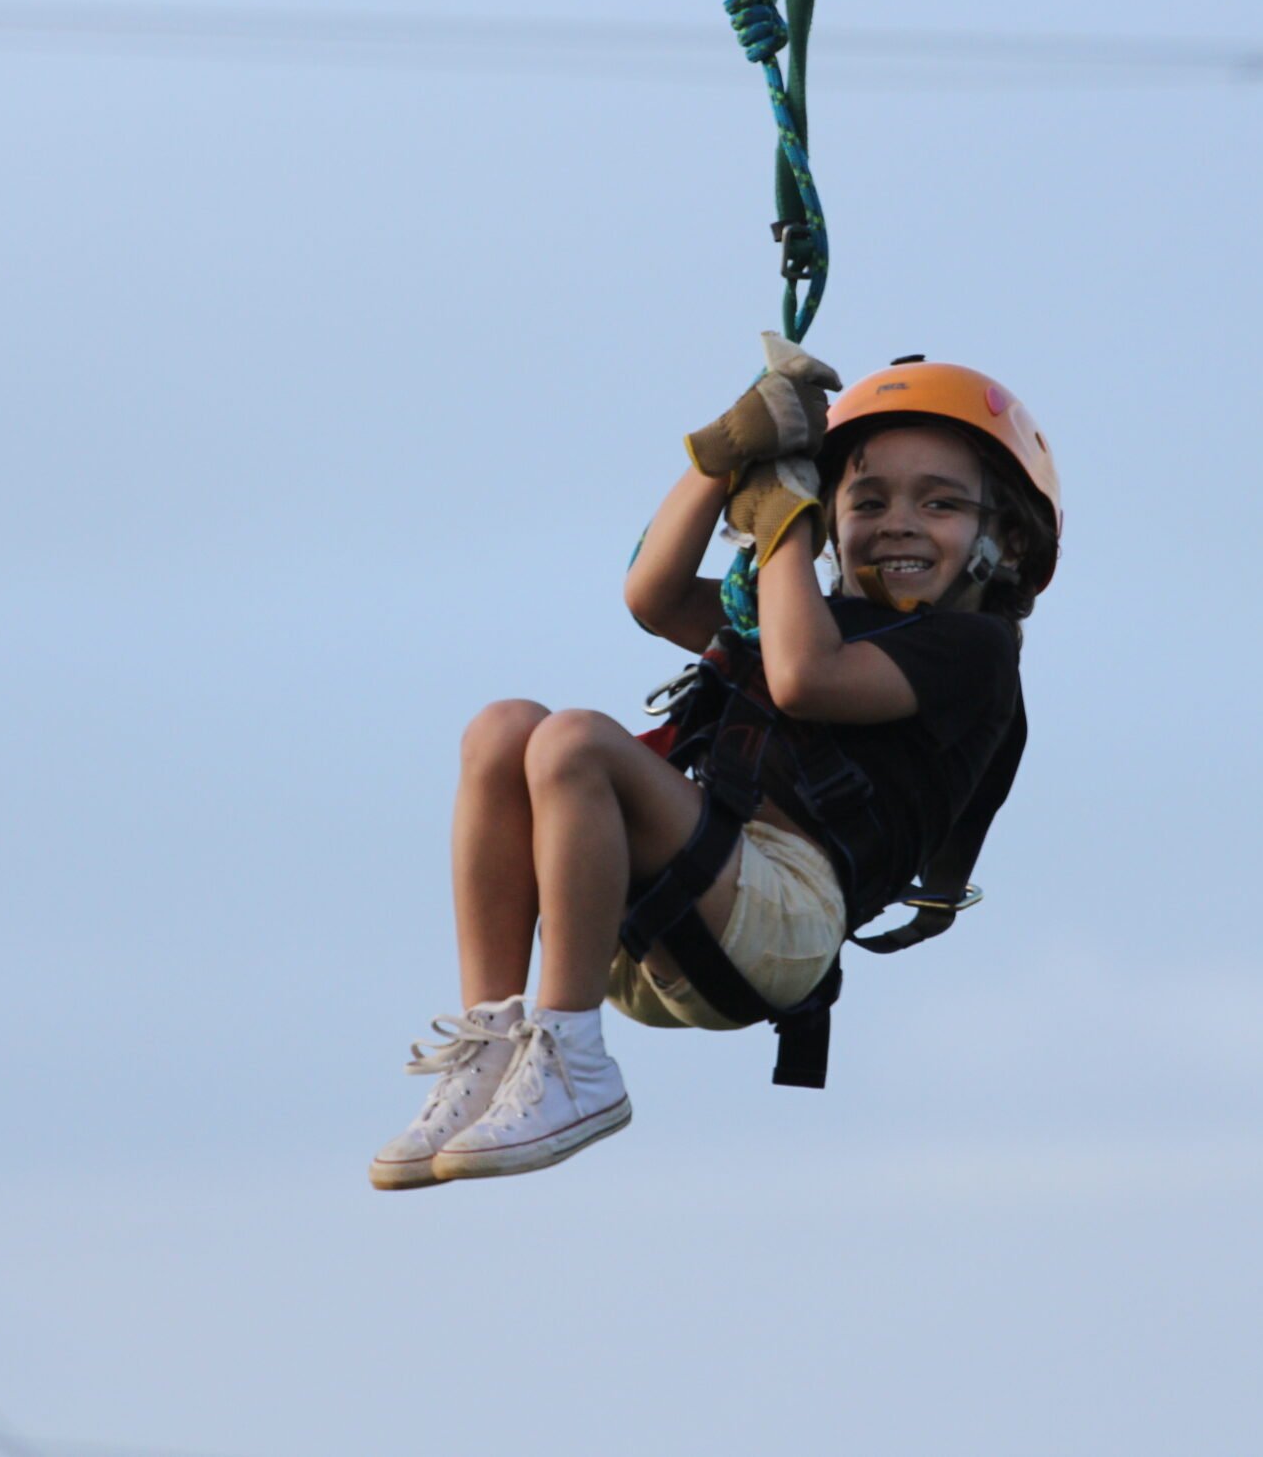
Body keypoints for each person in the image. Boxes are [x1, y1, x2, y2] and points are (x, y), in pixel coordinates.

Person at [369, 340, 1062, 1188]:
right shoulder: (800, 609)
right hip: (660, 915)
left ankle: (574, 1061)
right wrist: (726, 450)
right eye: (868, 499)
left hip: (784, 921)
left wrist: (788, 523)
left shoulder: (975, 653)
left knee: (576, 740)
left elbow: (806, 678)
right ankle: (497, 1037)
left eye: (941, 503)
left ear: (1010, 544)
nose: (899, 521)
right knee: (501, 729)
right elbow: (651, 595)